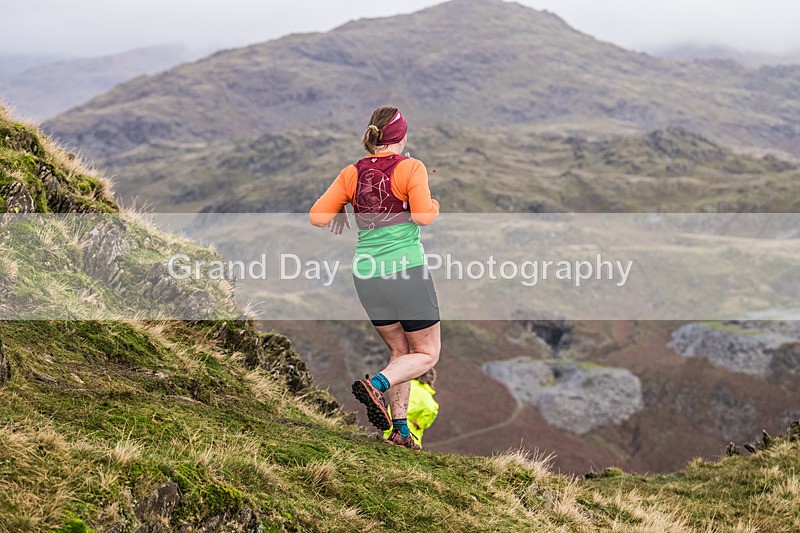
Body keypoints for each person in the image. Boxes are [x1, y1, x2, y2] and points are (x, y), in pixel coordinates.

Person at [309, 106, 441, 450]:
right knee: (426, 354)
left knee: (401, 352)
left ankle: (400, 430)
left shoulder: (351, 173)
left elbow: (317, 217)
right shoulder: (411, 168)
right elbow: (424, 217)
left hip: (366, 275)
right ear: (402, 136)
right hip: (406, 271)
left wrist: (341, 205)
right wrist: (434, 204)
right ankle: (377, 385)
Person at [383, 368, 439, 449]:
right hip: (409, 430)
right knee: (408, 454)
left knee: (387, 449)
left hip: (392, 423)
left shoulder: (403, 385)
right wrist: (420, 423)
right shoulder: (425, 393)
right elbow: (431, 409)